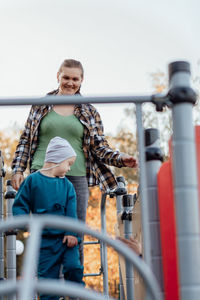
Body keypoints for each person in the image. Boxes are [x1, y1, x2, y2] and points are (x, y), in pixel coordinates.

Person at [11, 58, 137, 264]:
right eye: (66, 77)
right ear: (58, 76)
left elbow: (100, 146)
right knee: (46, 234)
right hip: (42, 175)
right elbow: (26, 139)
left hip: (76, 177)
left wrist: (121, 158)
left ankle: (73, 290)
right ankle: (48, 290)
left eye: (75, 79)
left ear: (82, 80)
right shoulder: (41, 105)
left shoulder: (88, 111)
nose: (70, 82)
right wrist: (18, 169)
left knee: (73, 235)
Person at [12, 137, 84, 300]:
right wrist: (25, 223)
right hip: (43, 241)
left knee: (74, 267)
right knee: (47, 281)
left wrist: (71, 232)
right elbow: (20, 204)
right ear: (57, 160)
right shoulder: (33, 181)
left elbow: (72, 212)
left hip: (67, 239)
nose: (69, 168)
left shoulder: (67, 186)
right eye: (69, 163)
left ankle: (78, 296)